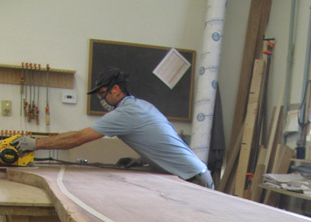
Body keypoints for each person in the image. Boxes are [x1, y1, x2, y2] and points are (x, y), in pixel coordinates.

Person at [13, 67, 214, 189]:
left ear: (115, 90)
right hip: (195, 174)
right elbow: (161, 141)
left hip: (193, 179)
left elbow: (78, 138)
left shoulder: (125, 113)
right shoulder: (140, 106)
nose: (102, 99)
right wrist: (141, 160)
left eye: (102, 93)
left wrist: (35, 143)